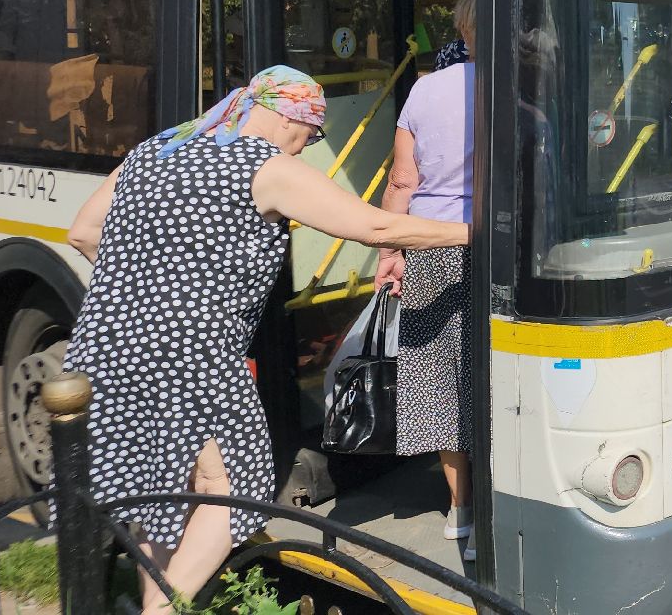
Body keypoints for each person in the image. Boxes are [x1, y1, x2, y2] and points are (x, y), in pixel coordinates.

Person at [63, 66, 470, 615]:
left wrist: (147, 293)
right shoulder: (265, 166)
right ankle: (161, 612)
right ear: (291, 118)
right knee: (239, 484)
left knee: (165, 489)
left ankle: (154, 599)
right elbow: (378, 228)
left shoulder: (157, 148)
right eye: (312, 135)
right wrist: (476, 232)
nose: (306, 148)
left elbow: (83, 231)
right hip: (192, 349)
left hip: (105, 341)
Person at [375, 0, 478, 560]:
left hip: (432, 244)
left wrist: (391, 251)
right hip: (499, 246)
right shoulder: (526, 87)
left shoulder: (425, 89)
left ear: (462, 29)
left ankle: (460, 509)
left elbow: (402, 180)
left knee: (439, 378)